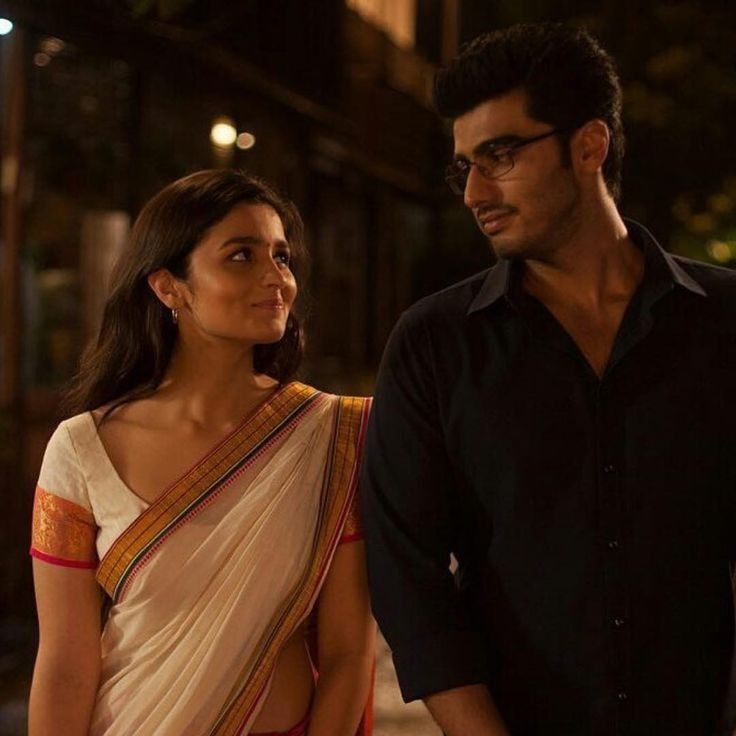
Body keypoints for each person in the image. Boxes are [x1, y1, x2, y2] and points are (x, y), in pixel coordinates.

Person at [361, 21, 736, 736]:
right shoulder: (436, 344)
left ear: (589, 145)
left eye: (499, 156)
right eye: (463, 166)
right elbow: (406, 576)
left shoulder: (723, 323)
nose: (474, 192)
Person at [28, 170, 375, 736]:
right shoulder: (82, 448)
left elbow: (347, 655)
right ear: (169, 287)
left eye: (282, 257)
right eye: (242, 256)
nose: (277, 279)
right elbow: (66, 666)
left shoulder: (330, 435)